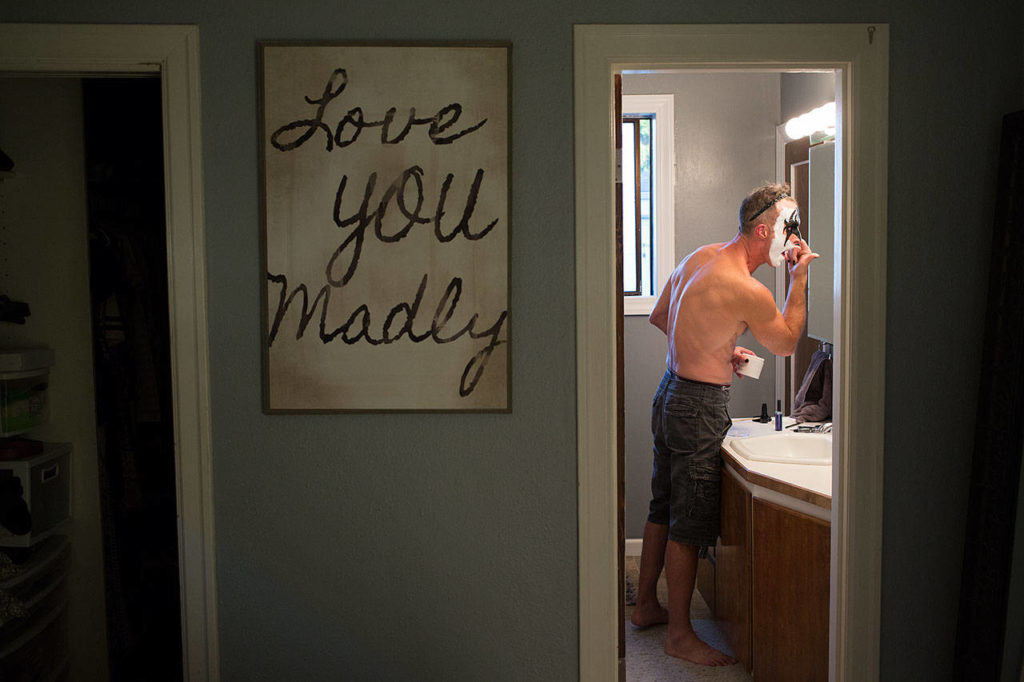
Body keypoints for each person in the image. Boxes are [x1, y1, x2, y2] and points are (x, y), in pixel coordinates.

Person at [629, 182, 818, 666]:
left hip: (669, 393)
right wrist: (798, 282)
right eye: (788, 230)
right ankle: (679, 635)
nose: (793, 241)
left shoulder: (702, 256)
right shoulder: (747, 288)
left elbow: (662, 316)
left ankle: (646, 605)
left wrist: (715, 347)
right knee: (689, 523)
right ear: (763, 230)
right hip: (698, 406)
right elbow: (786, 343)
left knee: (661, 506)